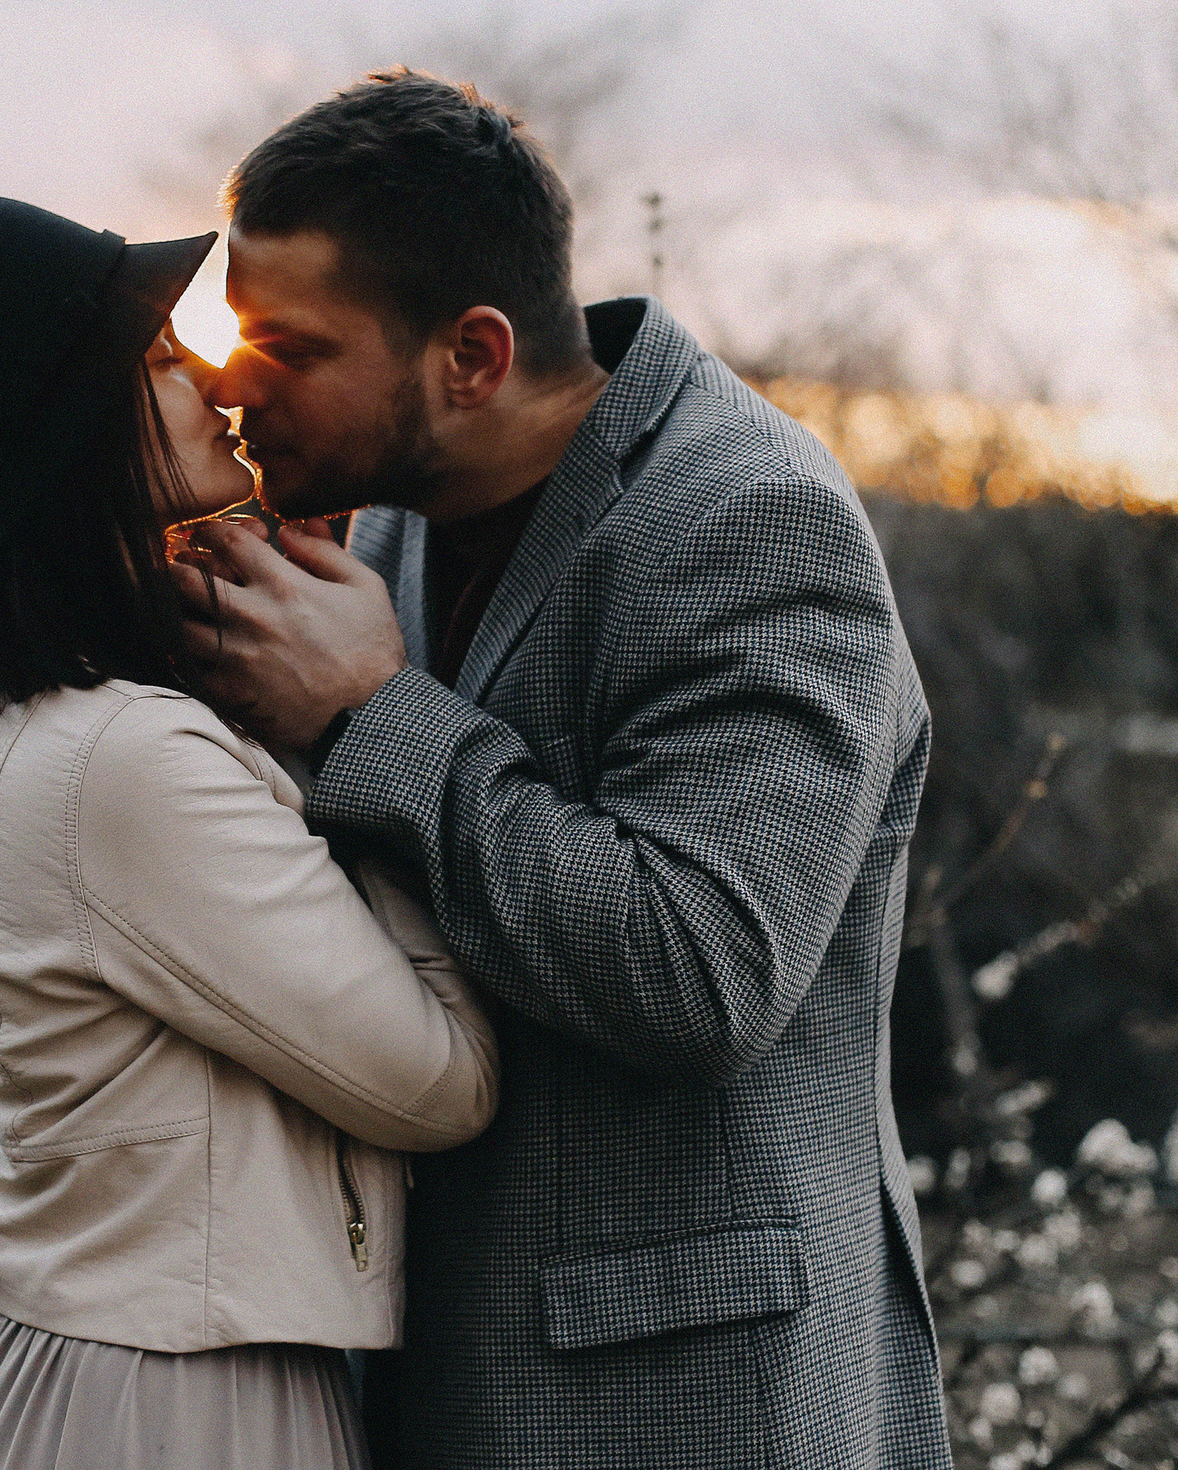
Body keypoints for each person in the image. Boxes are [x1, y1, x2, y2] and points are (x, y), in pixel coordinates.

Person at [178, 73, 956, 1469]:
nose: (237, 383)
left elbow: (702, 963)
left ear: (471, 356)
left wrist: (371, 717)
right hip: (431, 1371)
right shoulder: (401, 520)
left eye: (290, 347)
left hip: (689, 1401)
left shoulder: (753, 524)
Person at [0, 195, 500, 1470]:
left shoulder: (35, 718)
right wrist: (364, 712)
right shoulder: (124, 761)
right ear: (69, 439)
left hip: (90, 1380)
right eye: (156, 362)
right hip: (174, 1410)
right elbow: (445, 1081)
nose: (213, 379)